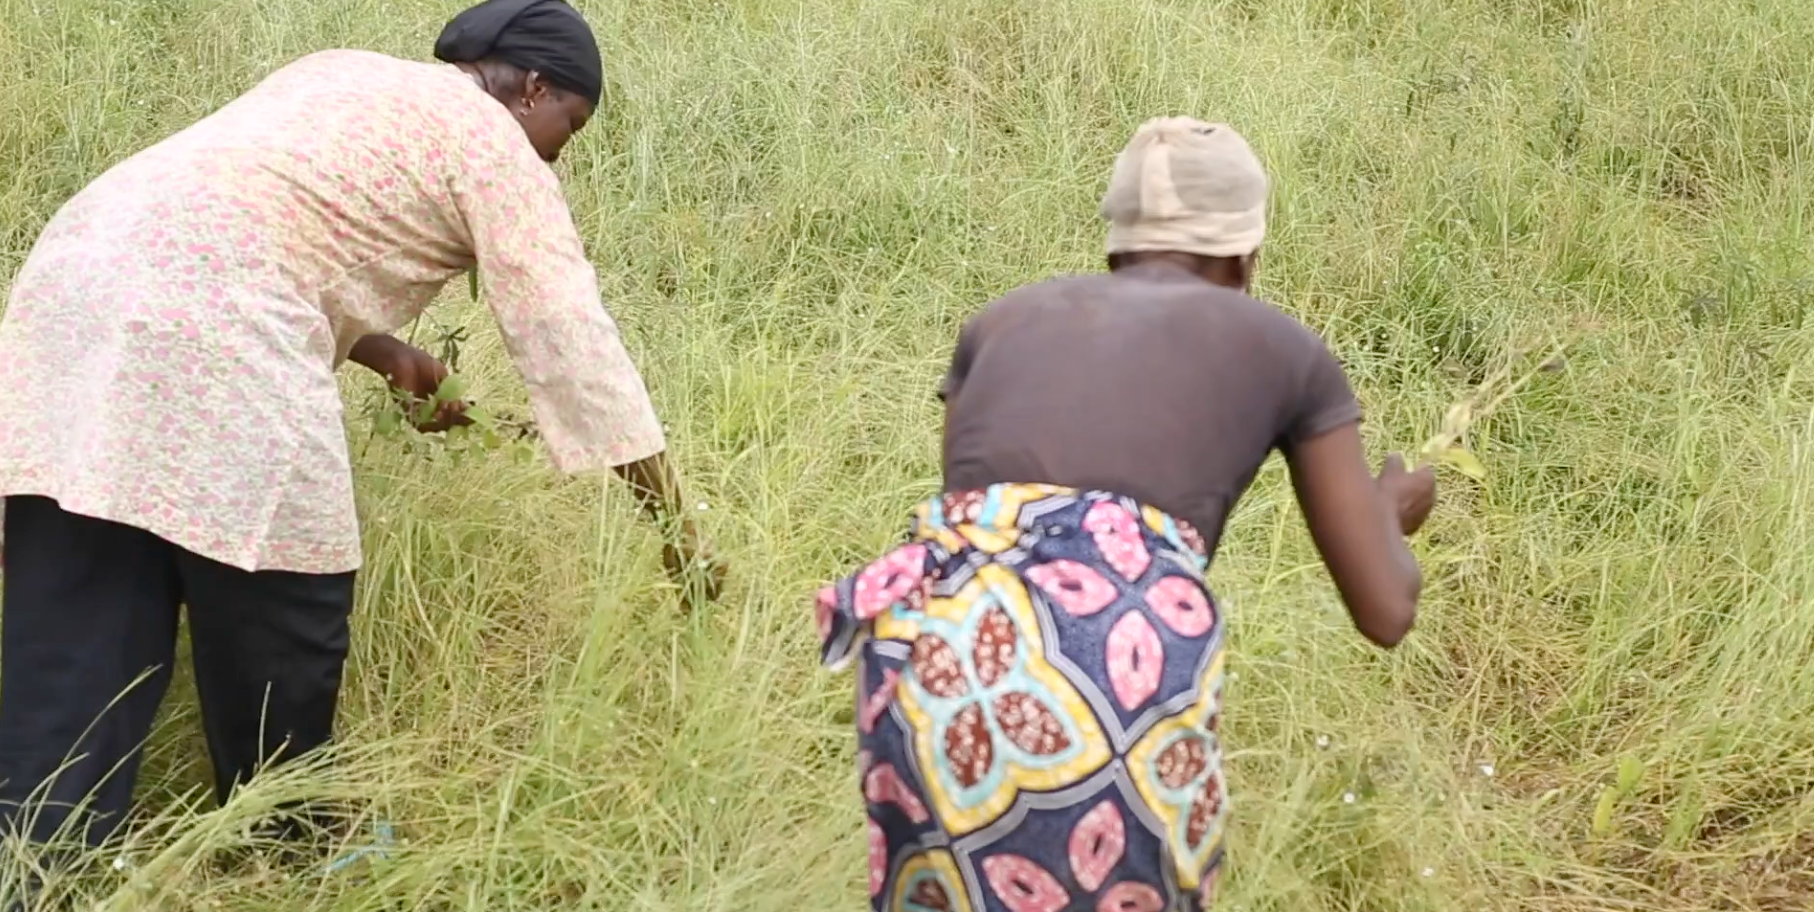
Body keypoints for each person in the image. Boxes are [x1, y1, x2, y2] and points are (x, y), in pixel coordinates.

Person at [0, 0, 722, 851]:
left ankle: (32, 858)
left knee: (81, 611)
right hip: (220, 329)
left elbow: (245, 223)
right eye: (571, 123)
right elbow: (575, 347)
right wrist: (677, 529)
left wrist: (384, 352)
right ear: (532, 87)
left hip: (68, 295)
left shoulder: (337, 71)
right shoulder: (495, 145)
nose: (561, 150)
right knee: (287, 602)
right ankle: (291, 845)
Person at [814, 118, 1436, 912]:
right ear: (1247, 253)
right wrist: (1390, 511)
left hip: (928, 662)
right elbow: (1385, 610)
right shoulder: (1284, 347)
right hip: (1110, 669)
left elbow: (1001, 543)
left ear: (1116, 242)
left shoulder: (1000, 322)